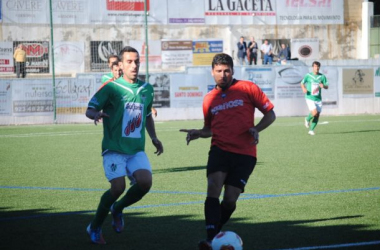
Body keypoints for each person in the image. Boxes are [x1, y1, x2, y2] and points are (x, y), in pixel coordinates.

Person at [180, 53, 276, 250]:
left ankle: (217, 231)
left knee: (230, 200)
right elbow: (209, 129)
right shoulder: (209, 99)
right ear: (212, 72)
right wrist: (199, 132)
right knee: (213, 188)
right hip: (219, 150)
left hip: (245, 153)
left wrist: (256, 129)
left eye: (227, 71)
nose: (223, 75)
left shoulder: (248, 88)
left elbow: (270, 114)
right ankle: (211, 238)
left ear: (232, 71)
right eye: (219, 71)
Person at [85, 46, 164, 245]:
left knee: (145, 183)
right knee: (117, 187)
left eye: (136, 61)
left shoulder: (146, 89)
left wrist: (154, 138)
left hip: (135, 149)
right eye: (129, 61)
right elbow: (90, 109)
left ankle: (118, 209)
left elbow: (146, 115)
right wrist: (96, 115)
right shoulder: (111, 88)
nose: (134, 65)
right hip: (114, 148)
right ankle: (94, 226)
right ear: (120, 65)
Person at [301, 61, 328, 136]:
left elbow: (327, 86)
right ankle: (307, 119)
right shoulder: (308, 75)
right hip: (309, 97)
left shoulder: (322, 76)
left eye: (318, 66)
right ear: (313, 67)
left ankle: (311, 130)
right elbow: (302, 83)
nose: (317, 68)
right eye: (315, 66)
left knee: (317, 115)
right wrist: (303, 88)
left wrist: (324, 86)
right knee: (314, 113)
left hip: (318, 99)